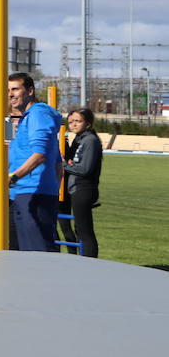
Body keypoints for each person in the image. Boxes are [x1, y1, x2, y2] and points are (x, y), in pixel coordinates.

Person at [0, 73, 62, 251]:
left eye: (15, 89)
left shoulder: (38, 114)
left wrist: (11, 178)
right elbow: (15, 155)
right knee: (15, 250)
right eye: (7, 90)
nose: (10, 95)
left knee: (37, 252)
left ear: (30, 91)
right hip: (17, 194)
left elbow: (42, 155)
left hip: (34, 193)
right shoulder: (16, 120)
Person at [59, 107, 103, 258]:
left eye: (78, 121)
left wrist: (64, 165)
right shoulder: (78, 139)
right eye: (71, 122)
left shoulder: (90, 140)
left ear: (88, 123)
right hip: (75, 187)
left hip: (84, 188)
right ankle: (78, 257)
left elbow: (85, 169)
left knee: (84, 230)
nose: (73, 125)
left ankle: (90, 261)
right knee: (78, 228)